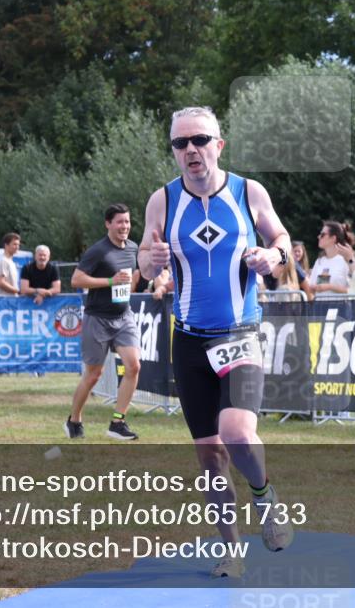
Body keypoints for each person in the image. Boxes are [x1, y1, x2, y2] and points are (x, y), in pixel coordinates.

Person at [138, 106, 294, 578]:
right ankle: (232, 550)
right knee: (209, 453)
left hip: (239, 334)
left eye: (200, 140)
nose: (190, 151)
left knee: (239, 436)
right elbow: (144, 261)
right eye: (180, 144)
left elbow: (284, 239)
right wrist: (151, 258)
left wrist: (273, 255)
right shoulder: (161, 201)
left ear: (218, 145)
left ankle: (265, 498)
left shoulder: (249, 192)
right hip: (188, 341)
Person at [67, 204, 141, 442]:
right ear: (108, 224)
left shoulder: (133, 248)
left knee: (134, 366)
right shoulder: (98, 251)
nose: (124, 226)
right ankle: (74, 419)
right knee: (93, 375)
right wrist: (110, 281)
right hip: (97, 318)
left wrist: (129, 287)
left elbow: (135, 273)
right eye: (119, 222)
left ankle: (118, 422)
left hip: (123, 316)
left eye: (127, 222)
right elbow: (76, 280)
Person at [309, 221, 351, 296]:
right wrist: (314, 288)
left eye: (322, 235)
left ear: (333, 238)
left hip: (339, 305)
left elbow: (354, 290)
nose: (318, 237)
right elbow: (311, 287)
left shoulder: (346, 260)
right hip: (319, 304)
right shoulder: (320, 261)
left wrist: (330, 287)